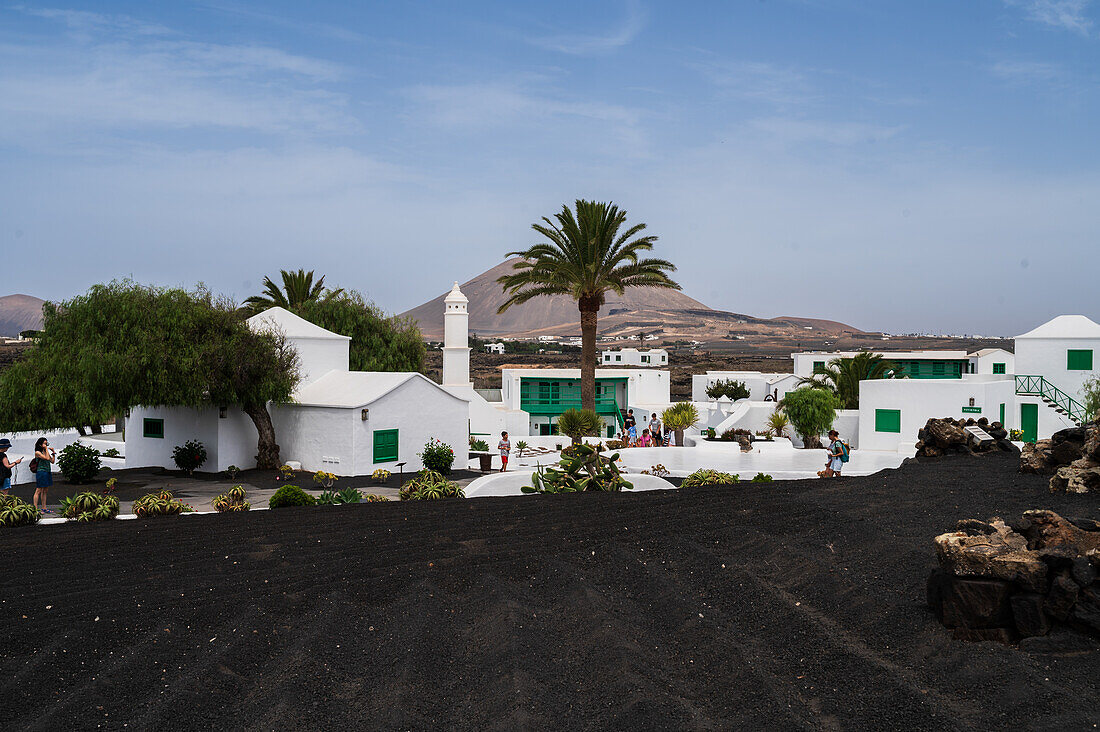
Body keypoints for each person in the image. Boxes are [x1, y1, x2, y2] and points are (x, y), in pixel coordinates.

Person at [32, 437, 55, 513]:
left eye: (46, 443)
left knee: (45, 490)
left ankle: (44, 507)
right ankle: (35, 508)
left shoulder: (45, 452)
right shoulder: (38, 453)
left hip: (47, 471)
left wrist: (53, 453)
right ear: (40, 444)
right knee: (39, 490)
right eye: (44, 443)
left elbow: (52, 461)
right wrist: (46, 449)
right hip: (41, 471)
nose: (46, 445)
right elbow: (47, 458)